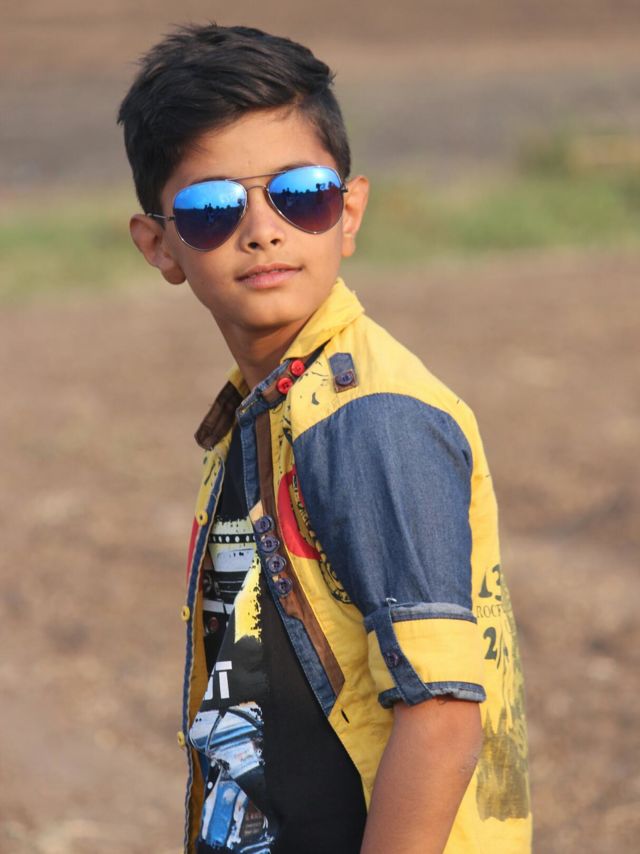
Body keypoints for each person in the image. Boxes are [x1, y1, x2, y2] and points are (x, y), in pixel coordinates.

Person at [117, 23, 532, 854]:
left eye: (300, 194)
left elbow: (440, 716)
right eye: (212, 208)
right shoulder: (263, 412)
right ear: (159, 244)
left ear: (348, 212)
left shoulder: (369, 419)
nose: (263, 230)